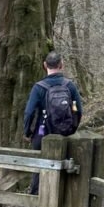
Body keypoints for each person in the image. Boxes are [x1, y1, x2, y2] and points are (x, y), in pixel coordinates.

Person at [23, 51, 83, 194]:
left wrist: (27, 132)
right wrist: (71, 129)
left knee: (39, 169)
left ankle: (37, 199)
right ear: (61, 65)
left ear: (45, 65)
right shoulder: (70, 86)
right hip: (64, 134)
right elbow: (78, 111)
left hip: (42, 134)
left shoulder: (38, 87)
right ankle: (61, 199)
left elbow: (29, 113)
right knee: (65, 167)